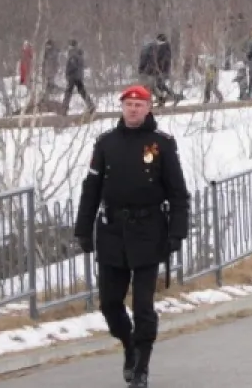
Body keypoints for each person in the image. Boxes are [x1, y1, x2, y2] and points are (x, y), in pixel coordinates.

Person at [73, 85, 190, 388]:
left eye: (140, 104)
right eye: (129, 104)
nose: (134, 109)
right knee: (110, 303)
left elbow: (178, 193)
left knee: (142, 306)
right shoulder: (106, 144)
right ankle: (129, 346)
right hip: (112, 232)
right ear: (121, 108)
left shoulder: (161, 144)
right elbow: (92, 189)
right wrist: (83, 229)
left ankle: (142, 368)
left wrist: (177, 232)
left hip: (149, 232)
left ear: (150, 107)